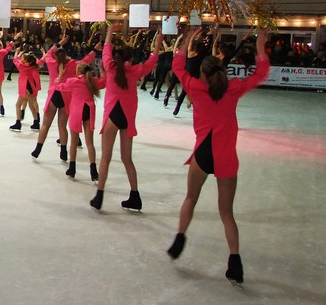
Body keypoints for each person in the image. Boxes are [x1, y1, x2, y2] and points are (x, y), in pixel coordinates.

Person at [166, 27, 269, 285]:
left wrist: (186, 40)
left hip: (202, 154)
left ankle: (180, 238)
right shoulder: (232, 89)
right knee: (226, 213)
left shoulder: (195, 87)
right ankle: (235, 262)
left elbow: (177, 66)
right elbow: (261, 74)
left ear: (203, 73)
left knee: (190, 198)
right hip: (225, 158)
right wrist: (260, 46)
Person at [90, 25, 161, 211]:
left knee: (106, 158)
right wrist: (159, 40)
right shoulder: (136, 71)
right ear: (131, 59)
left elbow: (106, 48)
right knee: (127, 158)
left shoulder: (110, 67)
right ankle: (135, 196)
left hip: (113, 115)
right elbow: (153, 58)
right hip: (127, 118)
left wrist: (110, 31)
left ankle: (99, 196)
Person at [56, 62, 105, 180]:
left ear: (78, 71)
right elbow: (104, 82)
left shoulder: (72, 81)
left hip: (77, 111)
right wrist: (101, 69)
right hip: (89, 109)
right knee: (90, 143)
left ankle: (72, 168)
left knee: (73, 142)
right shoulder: (92, 81)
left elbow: (58, 86)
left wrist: (60, 75)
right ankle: (93, 170)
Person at [9, 47, 42, 132]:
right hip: (32, 86)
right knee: (31, 105)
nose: (21, 58)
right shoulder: (33, 65)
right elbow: (41, 61)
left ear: (25, 60)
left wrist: (17, 52)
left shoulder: (21, 66)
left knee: (18, 105)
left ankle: (18, 123)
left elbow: (15, 60)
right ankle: (36, 122)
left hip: (25, 86)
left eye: (22, 58)